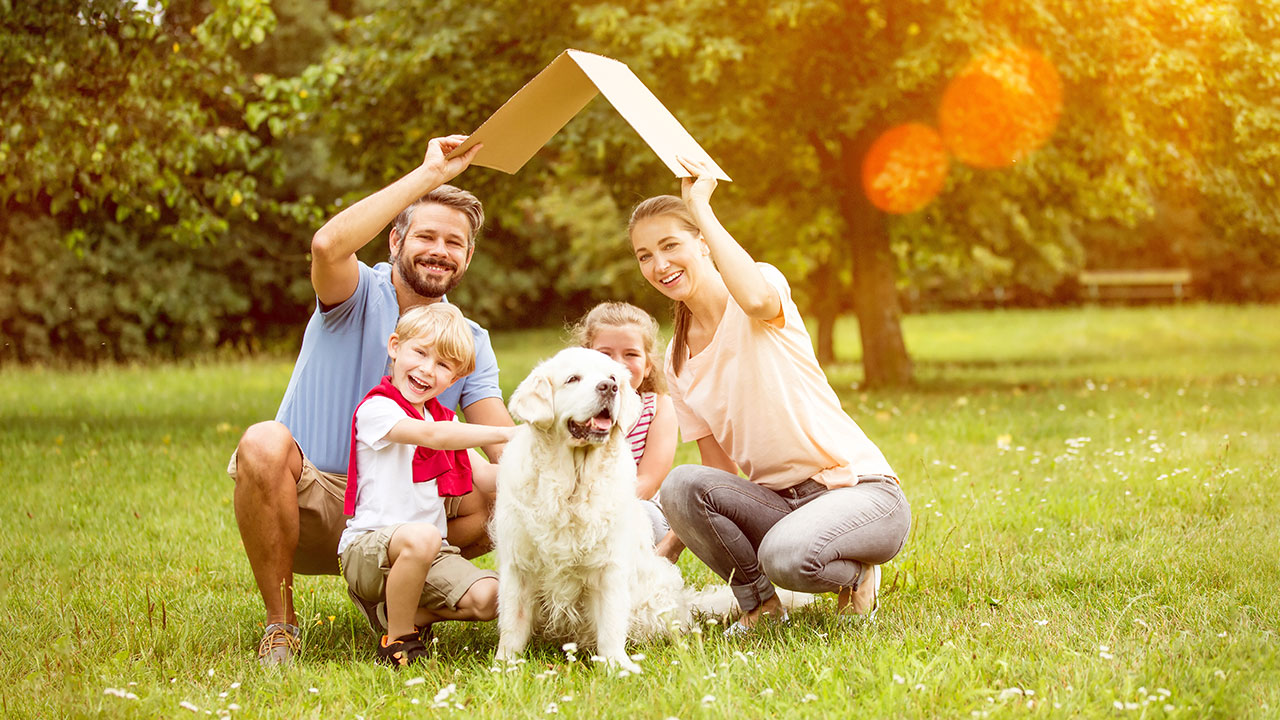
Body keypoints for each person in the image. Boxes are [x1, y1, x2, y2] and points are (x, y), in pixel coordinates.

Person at [228, 134, 513, 666]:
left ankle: (401, 603)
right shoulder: (354, 293)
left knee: (506, 491)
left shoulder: (468, 338)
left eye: (454, 243)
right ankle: (280, 626)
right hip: (313, 498)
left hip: (405, 513)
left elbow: (505, 448)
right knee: (263, 442)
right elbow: (326, 245)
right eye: (425, 236)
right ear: (394, 242)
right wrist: (431, 175)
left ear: (468, 255)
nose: (439, 251)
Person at [626, 156, 912, 634]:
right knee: (680, 484)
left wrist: (701, 205)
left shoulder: (758, 291)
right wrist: (667, 553)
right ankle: (760, 609)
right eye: (644, 255)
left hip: (861, 493)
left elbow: (756, 299)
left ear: (702, 241)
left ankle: (857, 573)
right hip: (780, 505)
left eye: (670, 245)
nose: (659, 265)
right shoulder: (676, 357)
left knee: (786, 558)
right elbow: (717, 473)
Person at [340, 303, 514, 667]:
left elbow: (487, 477)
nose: (426, 369)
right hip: (367, 551)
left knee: (496, 597)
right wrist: (508, 432)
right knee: (423, 535)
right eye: (419, 352)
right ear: (394, 347)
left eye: (443, 365)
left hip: (429, 554)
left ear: (453, 380)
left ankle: (403, 612)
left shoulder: (442, 418)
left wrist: (549, 465)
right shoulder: (378, 410)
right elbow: (433, 436)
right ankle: (398, 640)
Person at [569, 302, 678, 548]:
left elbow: (649, 480)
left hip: (634, 508)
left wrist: (598, 511)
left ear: (648, 365)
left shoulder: (658, 408)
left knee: (644, 519)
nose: (618, 364)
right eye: (605, 354)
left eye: (631, 354)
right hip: (574, 511)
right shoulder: (572, 411)